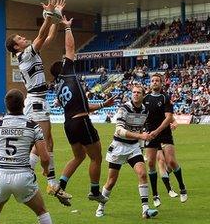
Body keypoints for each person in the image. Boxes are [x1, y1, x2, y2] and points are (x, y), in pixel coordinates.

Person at [5, 0, 69, 203]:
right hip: (36, 101)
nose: (25, 39)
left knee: (46, 141)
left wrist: (56, 18)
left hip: (40, 100)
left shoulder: (31, 53)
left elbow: (49, 36)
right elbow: (42, 34)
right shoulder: (25, 55)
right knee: (43, 142)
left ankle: (46, 180)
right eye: (21, 39)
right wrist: (49, 16)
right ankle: (39, 179)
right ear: (16, 47)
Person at [48, 15, 116, 206]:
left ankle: (60, 186)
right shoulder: (67, 71)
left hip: (69, 123)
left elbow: (83, 107)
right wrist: (67, 27)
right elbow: (70, 48)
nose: (66, 60)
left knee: (78, 156)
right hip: (81, 122)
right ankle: (95, 191)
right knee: (96, 157)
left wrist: (104, 105)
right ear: (61, 68)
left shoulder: (58, 87)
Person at [0, 89, 53, 224]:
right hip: (23, 176)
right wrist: (45, 170)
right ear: (24, 105)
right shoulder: (33, 126)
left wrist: (6, 160)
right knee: (41, 211)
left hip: (0, 176)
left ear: (6, 105)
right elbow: (44, 157)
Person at [95, 84, 159, 219]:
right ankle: (101, 206)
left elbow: (140, 130)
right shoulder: (124, 108)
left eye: (138, 93)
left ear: (143, 95)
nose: (136, 94)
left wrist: (141, 145)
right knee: (111, 181)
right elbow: (119, 130)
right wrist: (141, 136)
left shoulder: (144, 111)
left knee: (142, 174)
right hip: (119, 146)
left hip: (134, 147)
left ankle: (145, 209)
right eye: (134, 92)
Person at [144, 73, 188, 207]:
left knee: (171, 162)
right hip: (150, 134)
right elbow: (142, 115)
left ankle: (182, 188)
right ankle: (155, 195)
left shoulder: (165, 98)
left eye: (157, 80)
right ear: (150, 83)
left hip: (164, 134)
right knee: (151, 163)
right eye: (153, 80)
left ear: (161, 83)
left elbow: (169, 117)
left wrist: (158, 131)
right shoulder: (145, 98)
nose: (155, 82)